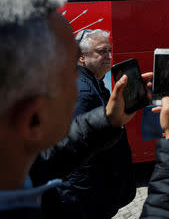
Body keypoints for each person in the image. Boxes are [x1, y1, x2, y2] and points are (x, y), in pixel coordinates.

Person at [0, 0, 169, 219]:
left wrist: (109, 121)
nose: (75, 79)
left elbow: (49, 158)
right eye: (68, 68)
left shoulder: (17, 165)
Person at [43, 29, 135, 219]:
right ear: (82, 58)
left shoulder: (93, 82)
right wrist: (93, 204)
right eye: (102, 51)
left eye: (110, 50)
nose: (109, 56)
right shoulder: (83, 92)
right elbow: (80, 157)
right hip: (86, 201)